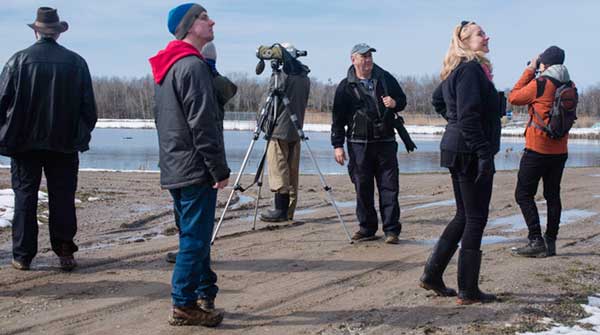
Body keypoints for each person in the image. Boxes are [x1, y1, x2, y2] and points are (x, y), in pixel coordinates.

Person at [149, 3, 229, 327]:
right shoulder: (192, 66)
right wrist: (218, 168)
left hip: (175, 165)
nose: (211, 22)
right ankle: (183, 304)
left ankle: (203, 292)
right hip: (194, 167)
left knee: (193, 235)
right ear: (189, 26)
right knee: (195, 239)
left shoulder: (166, 66)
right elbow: (203, 124)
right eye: (203, 17)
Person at [0, 7, 97, 272]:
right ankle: (65, 251)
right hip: (64, 145)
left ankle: (22, 255)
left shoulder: (17, 61)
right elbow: (89, 110)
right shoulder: (76, 63)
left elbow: (2, 103)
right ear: (57, 33)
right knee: (63, 197)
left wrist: (6, 136)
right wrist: (78, 137)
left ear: (36, 31)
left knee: (25, 198)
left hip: (24, 145)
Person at [419, 21, 502, 305]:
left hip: (459, 147)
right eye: (480, 33)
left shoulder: (462, 70)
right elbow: (466, 115)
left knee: (464, 215)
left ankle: (432, 275)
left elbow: (438, 100)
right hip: (468, 152)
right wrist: (482, 153)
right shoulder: (469, 70)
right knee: (475, 217)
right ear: (465, 41)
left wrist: (454, 123)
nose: (486, 36)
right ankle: (468, 289)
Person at [165, 41, 237, 264]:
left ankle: (190, 254)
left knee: (189, 215)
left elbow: (202, 123)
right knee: (190, 214)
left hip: (184, 158)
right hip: (188, 158)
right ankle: (192, 253)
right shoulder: (197, 76)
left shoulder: (205, 80)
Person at [331, 43, 407, 244]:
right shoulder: (345, 86)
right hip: (358, 144)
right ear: (353, 59)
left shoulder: (385, 77)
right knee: (362, 187)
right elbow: (337, 119)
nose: (368, 60)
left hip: (386, 142)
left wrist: (395, 103)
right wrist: (337, 145)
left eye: (370, 57)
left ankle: (392, 230)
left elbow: (402, 99)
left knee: (389, 187)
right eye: (363, 57)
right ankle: (367, 228)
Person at [508, 46, 572, 258]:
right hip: (560, 150)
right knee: (553, 195)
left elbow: (514, 97)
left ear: (545, 64)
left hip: (537, 149)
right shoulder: (569, 84)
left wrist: (529, 70)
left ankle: (535, 239)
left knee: (523, 194)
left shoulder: (541, 83)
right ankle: (550, 241)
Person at [259, 43, 311, 223]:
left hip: (279, 130)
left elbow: (268, 104)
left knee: (279, 169)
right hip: (296, 130)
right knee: (292, 171)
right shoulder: (305, 77)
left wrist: (261, 125)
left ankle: (279, 210)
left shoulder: (281, 77)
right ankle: (289, 210)